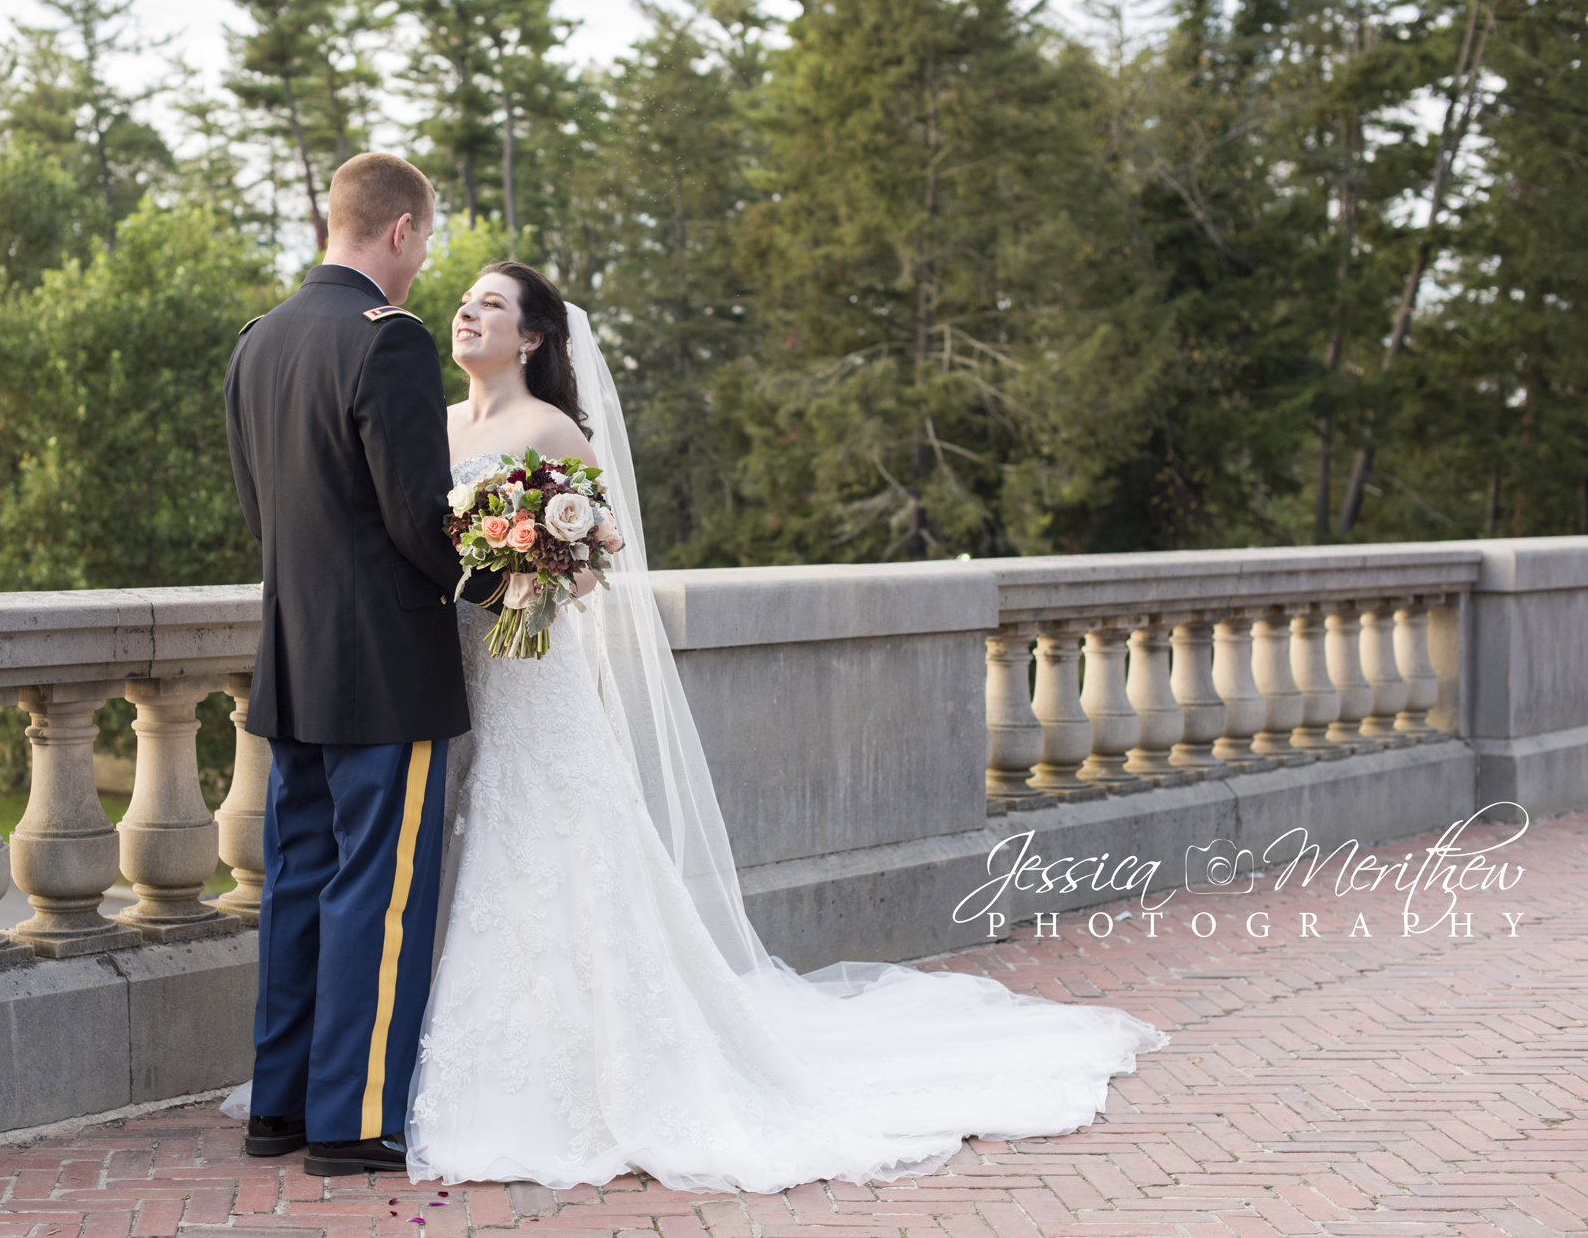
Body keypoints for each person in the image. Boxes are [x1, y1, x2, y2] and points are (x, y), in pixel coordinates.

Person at [404, 262, 1170, 1192]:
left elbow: (590, 565)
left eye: (490, 305)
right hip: (469, 668)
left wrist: (536, 568)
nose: (466, 313)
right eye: (464, 301)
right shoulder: (439, 428)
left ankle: (593, 1072)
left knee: (552, 835)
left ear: (529, 338)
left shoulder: (554, 430)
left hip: (540, 678)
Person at [221, 152, 499, 1179]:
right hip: (384, 669)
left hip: (291, 664)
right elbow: (417, 520)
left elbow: (266, 518)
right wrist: (495, 587)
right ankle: (352, 1119)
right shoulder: (390, 342)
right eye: (424, 239)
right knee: (375, 897)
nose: (424, 261)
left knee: (297, 882)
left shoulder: (257, 342)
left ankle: (279, 1108)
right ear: (396, 231)